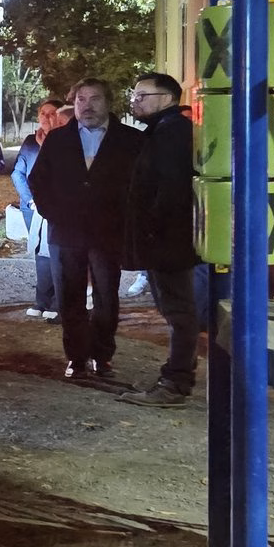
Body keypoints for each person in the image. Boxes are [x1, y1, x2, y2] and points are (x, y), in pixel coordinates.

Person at [29, 77, 141, 382]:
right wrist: (51, 213)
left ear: (108, 103)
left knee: (106, 295)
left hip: (108, 232)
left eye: (95, 99)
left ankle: (102, 355)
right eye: (81, 100)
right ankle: (76, 358)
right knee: (70, 297)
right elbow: (38, 180)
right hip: (66, 232)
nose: (87, 106)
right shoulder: (58, 139)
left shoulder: (130, 140)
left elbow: (141, 187)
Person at [122, 73, 199, 405]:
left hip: (169, 241)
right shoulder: (163, 131)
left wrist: (152, 230)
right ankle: (177, 375)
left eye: (143, 95)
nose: (135, 101)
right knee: (176, 309)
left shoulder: (172, 133)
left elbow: (169, 190)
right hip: (165, 239)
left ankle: (176, 381)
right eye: (134, 94)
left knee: (178, 311)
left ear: (167, 98)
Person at [10, 100, 61, 320]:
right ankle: (42, 300)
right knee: (41, 253)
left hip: (57, 208)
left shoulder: (66, 140)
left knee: (59, 253)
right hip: (34, 208)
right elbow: (18, 173)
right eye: (42, 113)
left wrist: (47, 147)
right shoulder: (31, 141)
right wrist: (31, 200)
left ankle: (58, 302)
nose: (46, 118)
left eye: (52, 114)